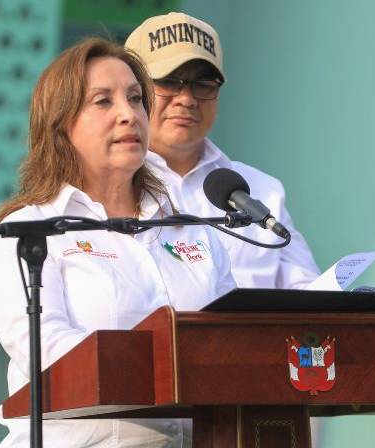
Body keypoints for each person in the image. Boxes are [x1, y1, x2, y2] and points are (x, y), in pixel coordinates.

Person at [0, 37, 235, 448]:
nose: (128, 114)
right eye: (103, 101)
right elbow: (52, 356)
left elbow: (234, 345)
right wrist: (173, 362)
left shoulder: (195, 231)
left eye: (136, 99)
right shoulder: (26, 234)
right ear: (61, 124)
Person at [125, 12, 320, 290]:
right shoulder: (108, 186)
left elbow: (310, 291)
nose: (187, 99)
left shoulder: (263, 190)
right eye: (168, 81)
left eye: (204, 84)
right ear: (133, 93)